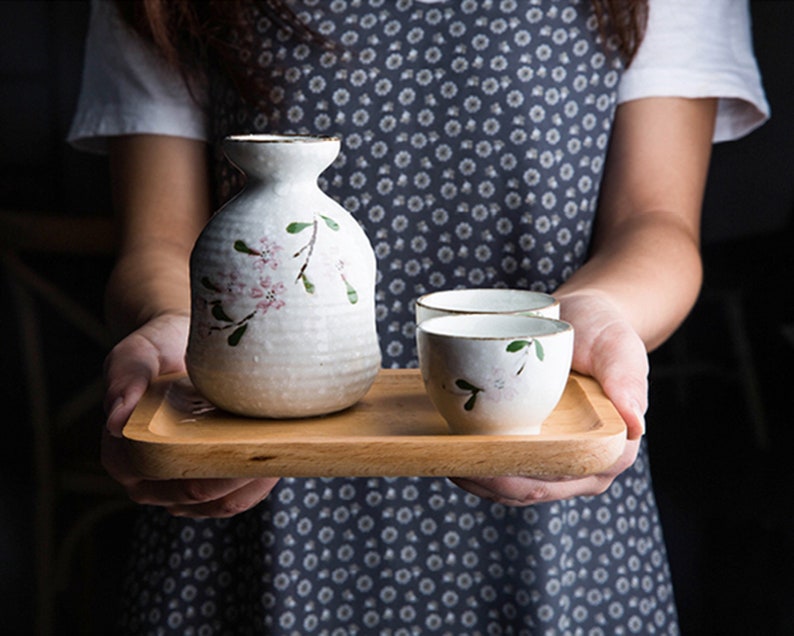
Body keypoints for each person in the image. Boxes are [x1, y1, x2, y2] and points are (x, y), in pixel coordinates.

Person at [69, 0, 768, 633]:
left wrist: (599, 315)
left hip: (548, 467)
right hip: (246, 484)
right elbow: (159, 241)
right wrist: (172, 322)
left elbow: (655, 221)